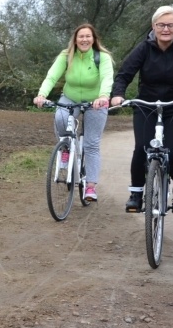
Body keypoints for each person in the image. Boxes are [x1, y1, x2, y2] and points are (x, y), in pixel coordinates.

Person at [110, 5, 173, 215]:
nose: (166, 29)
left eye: (171, 25)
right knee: (141, 148)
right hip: (146, 105)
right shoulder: (144, 48)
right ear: (153, 26)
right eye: (161, 25)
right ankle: (136, 193)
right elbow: (124, 74)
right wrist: (118, 94)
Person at [33, 24, 114, 201]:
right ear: (75, 40)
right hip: (70, 97)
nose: (84, 39)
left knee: (91, 144)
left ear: (94, 39)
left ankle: (90, 187)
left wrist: (103, 96)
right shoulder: (66, 55)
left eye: (88, 36)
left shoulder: (102, 57)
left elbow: (107, 78)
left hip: (96, 101)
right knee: (60, 118)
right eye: (81, 36)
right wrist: (42, 94)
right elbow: (51, 76)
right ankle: (67, 148)